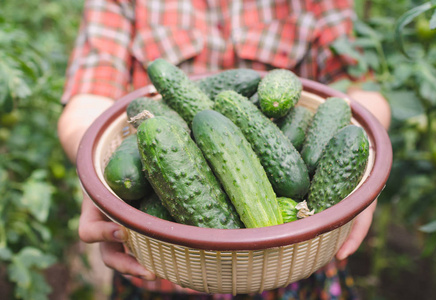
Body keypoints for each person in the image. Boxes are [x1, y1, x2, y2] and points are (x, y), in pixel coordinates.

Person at [58, 0, 391, 299]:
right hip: (167, 271)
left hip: (296, 260)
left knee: (278, 165)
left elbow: (361, 92)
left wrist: (366, 179)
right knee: (190, 131)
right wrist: (93, 177)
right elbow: (88, 100)